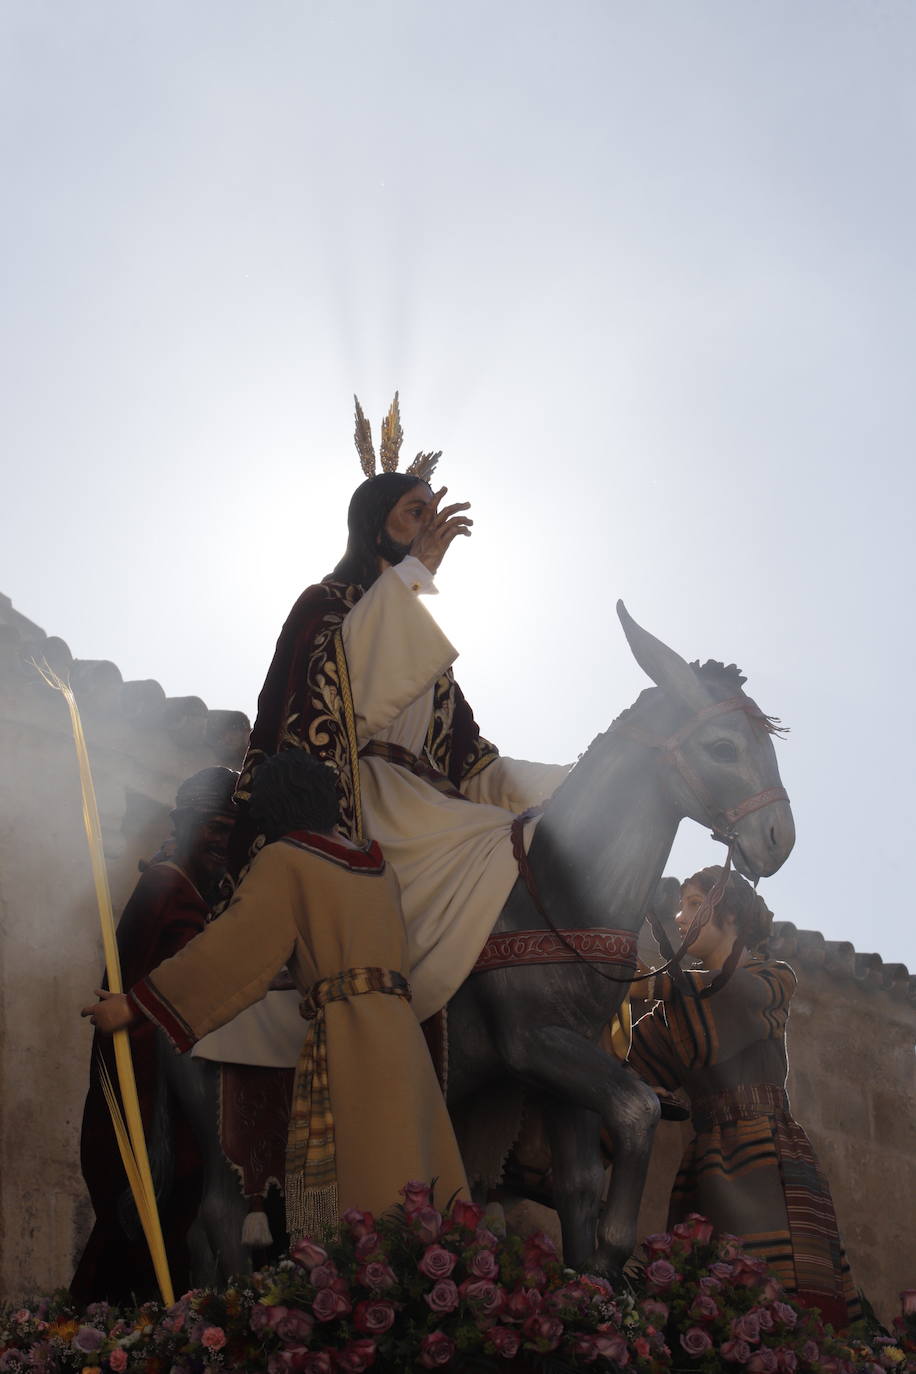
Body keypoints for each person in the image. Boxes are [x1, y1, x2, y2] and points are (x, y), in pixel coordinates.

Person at [225, 397, 568, 1036]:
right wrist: (417, 572)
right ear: (374, 524)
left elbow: (479, 765)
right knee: (493, 843)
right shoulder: (323, 604)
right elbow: (344, 692)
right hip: (362, 804)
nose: (429, 526)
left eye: (432, 514)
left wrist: (579, 783)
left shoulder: (426, 655)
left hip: (432, 805)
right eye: (416, 513)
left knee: (529, 836)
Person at [83, 750, 469, 1238]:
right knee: (411, 1163)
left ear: (274, 807)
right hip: (403, 1034)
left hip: (350, 1035)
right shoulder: (378, 867)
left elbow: (232, 951)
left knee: (362, 1173)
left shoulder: (285, 860)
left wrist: (134, 1005)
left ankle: (358, 1290)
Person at [628, 866, 860, 1328]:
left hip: (769, 1155)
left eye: (694, 905)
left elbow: (735, 997)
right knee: (708, 1298)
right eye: (680, 906)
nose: (679, 917)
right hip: (707, 1160)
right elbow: (634, 1061)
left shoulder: (774, 978)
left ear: (730, 916)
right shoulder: (680, 1006)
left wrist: (654, 982)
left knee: (785, 1291)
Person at [71, 767, 238, 1304]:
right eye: (213, 826)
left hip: (193, 1070)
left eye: (230, 829)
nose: (222, 841)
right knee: (157, 1208)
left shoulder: (204, 891)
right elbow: (129, 991)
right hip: (158, 1087)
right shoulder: (165, 885)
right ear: (184, 825)